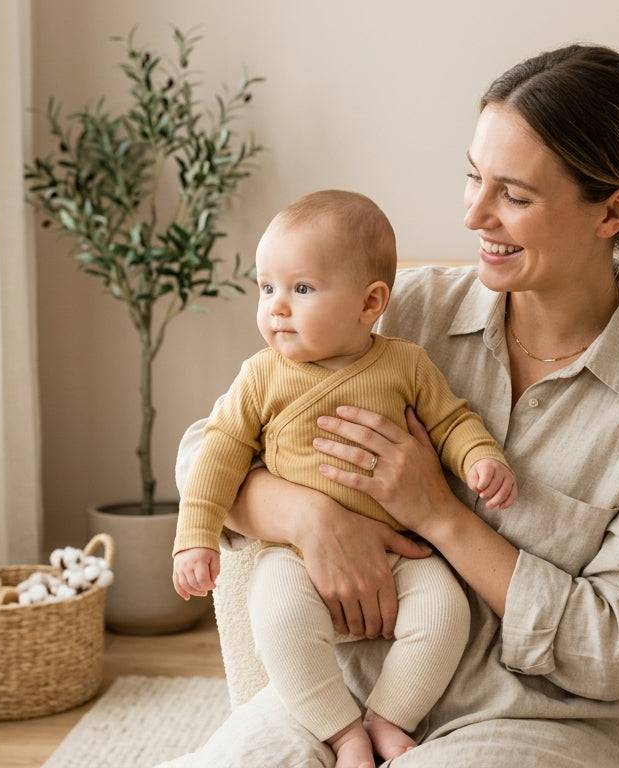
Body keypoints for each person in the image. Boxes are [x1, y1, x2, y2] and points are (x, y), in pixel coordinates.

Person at [166, 43, 619, 767]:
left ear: (612, 211)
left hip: (532, 720)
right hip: (342, 700)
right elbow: (203, 451)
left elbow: (612, 649)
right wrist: (309, 518)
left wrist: (440, 514)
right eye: (473, 177)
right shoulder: (402, 310)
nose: (474, 215)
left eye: (514, 196)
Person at [172, 189, 518, 767]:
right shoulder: (261, 376)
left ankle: (389, 716)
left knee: (445, 612)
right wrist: (195, 538)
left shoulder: (405, 363)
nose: (277, 308)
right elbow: (217, 455)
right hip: (293, 556)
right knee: (278, 617)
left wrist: (480, 458)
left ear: (370, 302)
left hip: (403, 550)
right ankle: (340, 731)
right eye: (266, 288)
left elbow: (452, 420)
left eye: (301, 289)